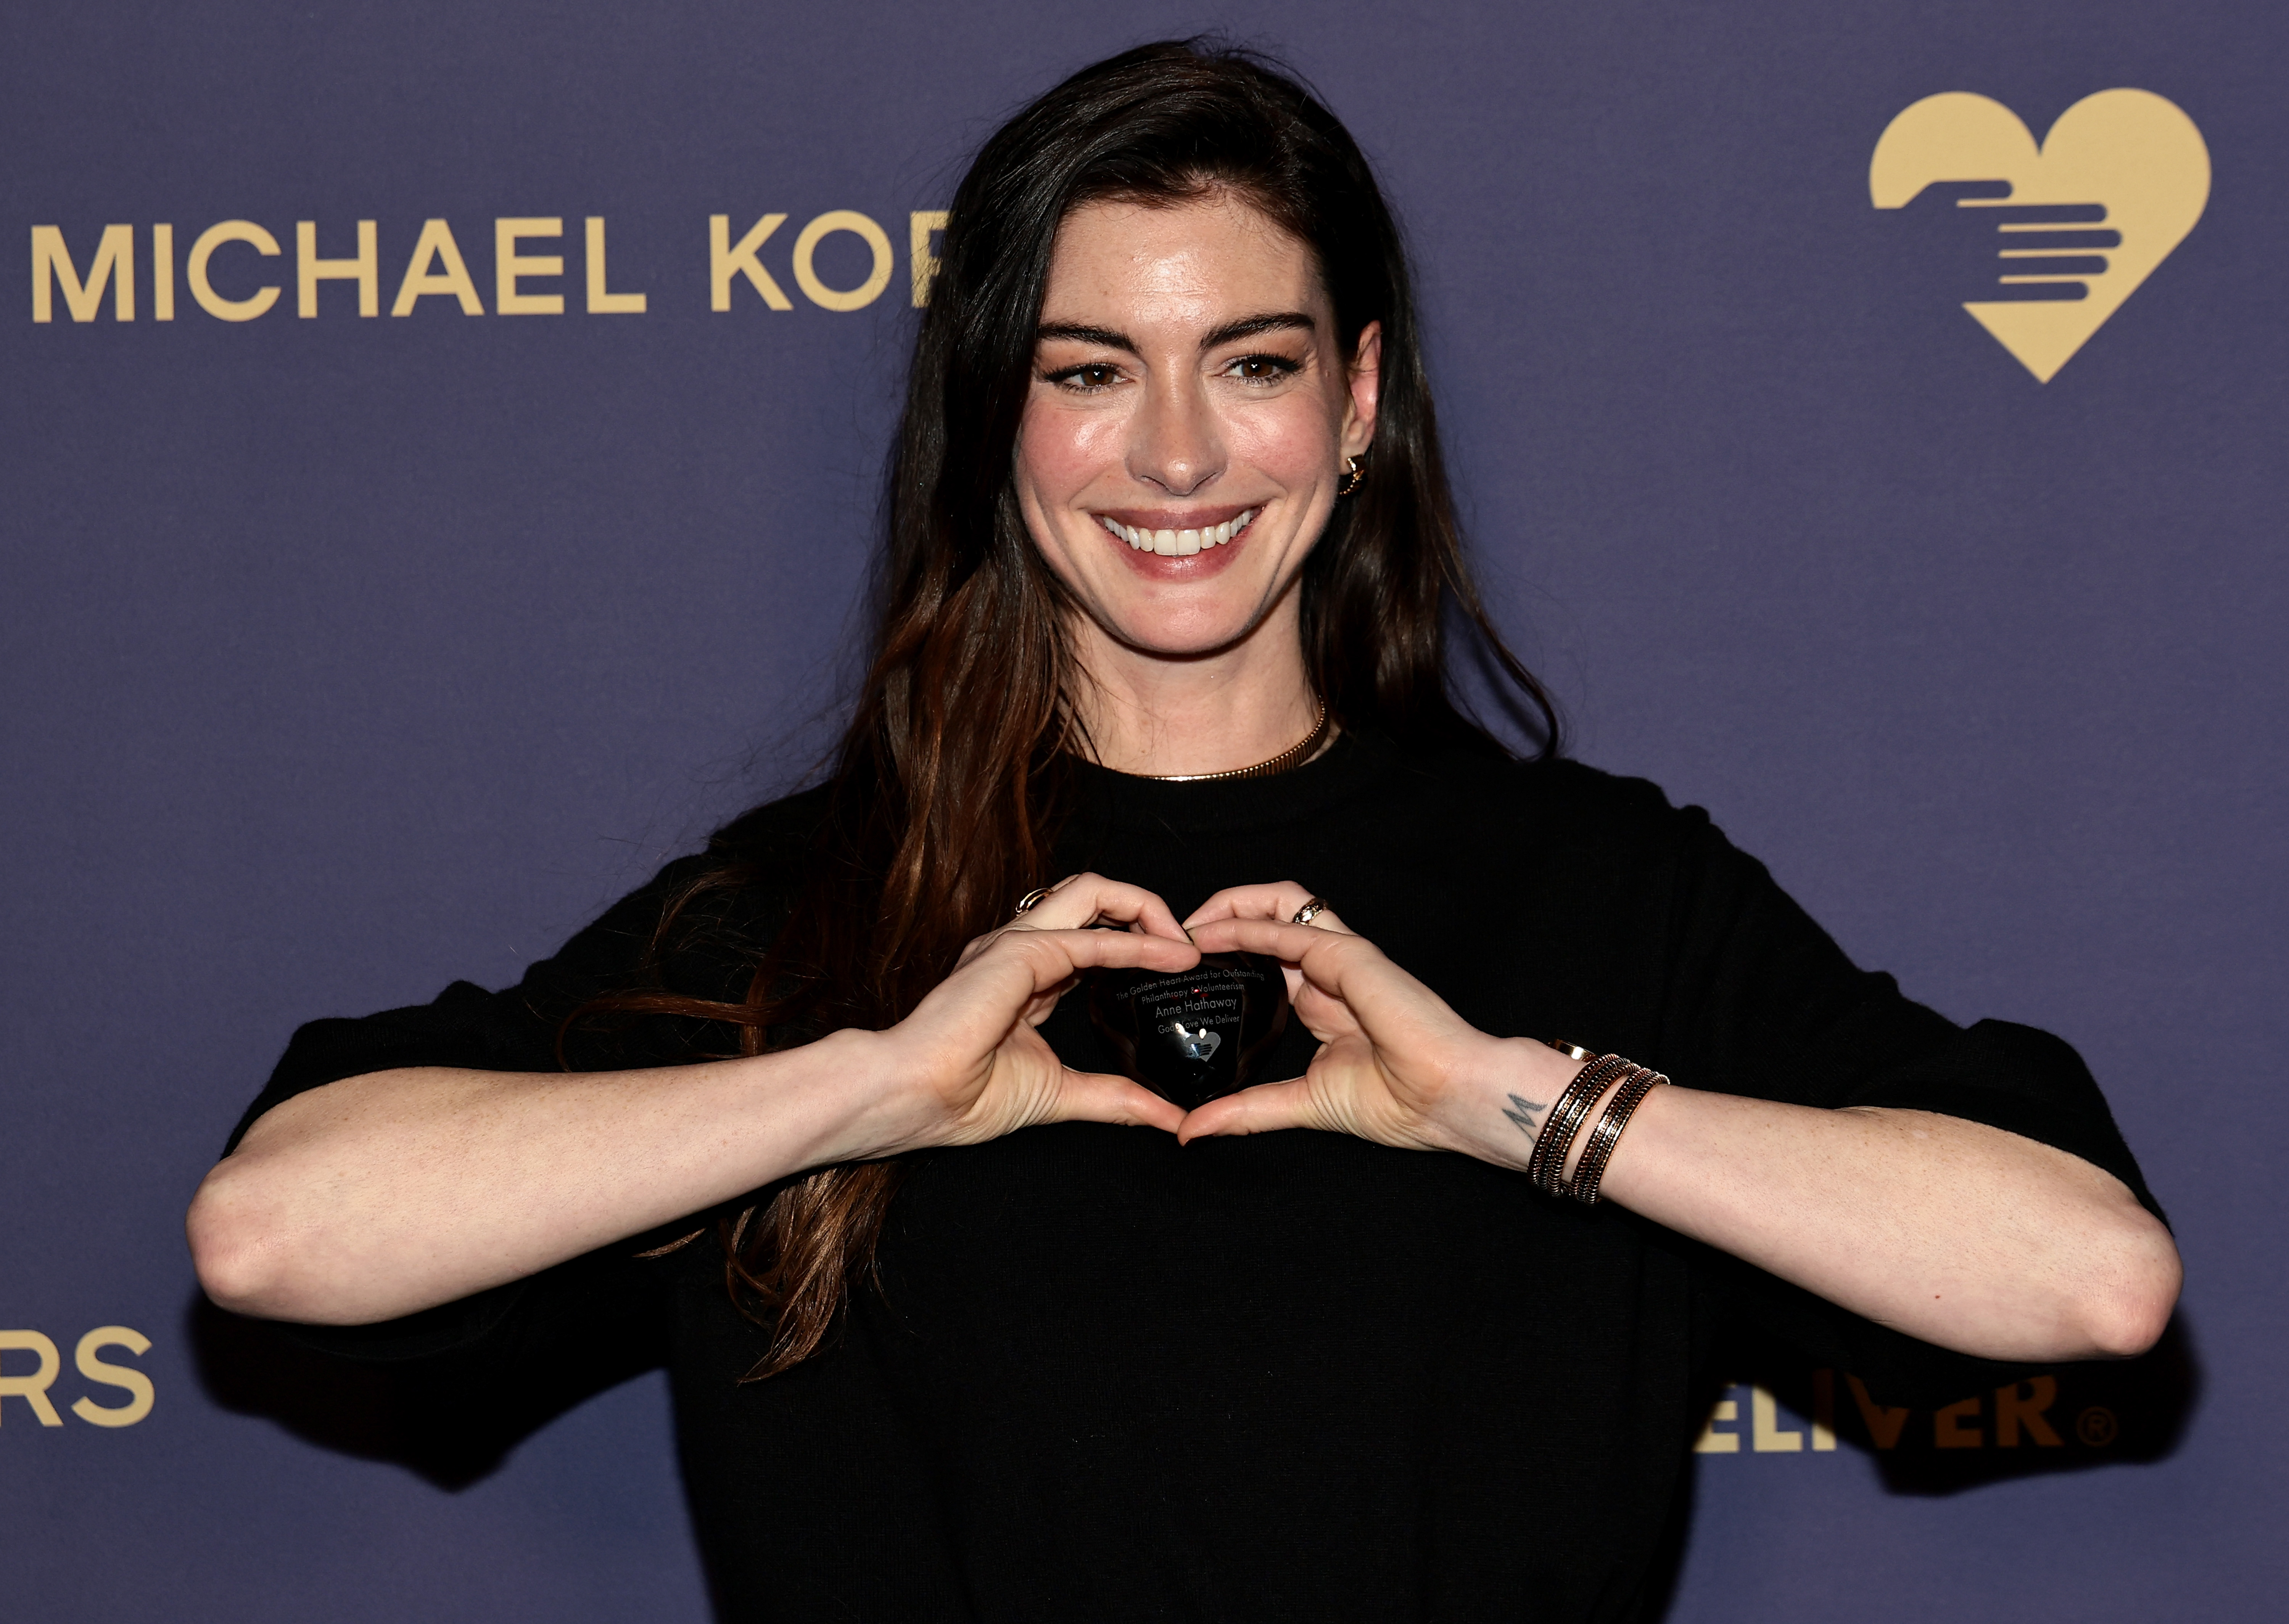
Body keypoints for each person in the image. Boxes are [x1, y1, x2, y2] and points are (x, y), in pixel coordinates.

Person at [187, 40, 2180, 1622]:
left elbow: (2086, 1280)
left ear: (1361, 398)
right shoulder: (809, 913)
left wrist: (1510, 1102)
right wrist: (865, 1088)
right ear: (998, 417)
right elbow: (274, 1233)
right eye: (1089, 372)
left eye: (1252, 364)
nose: (1172, 455)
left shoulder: (1603, 889)